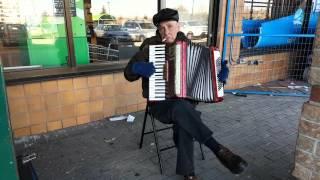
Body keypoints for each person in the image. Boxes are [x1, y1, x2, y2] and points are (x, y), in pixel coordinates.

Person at [124, 8, 247, 180]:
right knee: (183, 112)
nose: (166, 31)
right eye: (161, 28)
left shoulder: (189, 46)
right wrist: (137, 68)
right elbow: (128, 74)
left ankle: (189, 175)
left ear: (178, 26)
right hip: (160, 104)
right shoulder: (149, 47)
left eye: (170, 26)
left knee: (183, 117)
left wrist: (219, 74)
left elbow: (209, 69)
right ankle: (217, 149)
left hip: (185, 105)